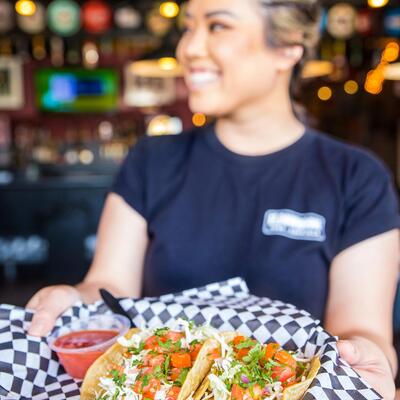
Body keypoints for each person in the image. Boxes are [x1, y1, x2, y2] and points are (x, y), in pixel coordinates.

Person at [27, 0, 399, 397]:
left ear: (288, 47)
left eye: (218, 26)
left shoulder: (356, 177)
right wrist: (75, 299)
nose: (188, 48)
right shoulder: (152, 160)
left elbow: (362, 329)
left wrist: (367, 358)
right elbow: (109, 287)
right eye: (188, 27)